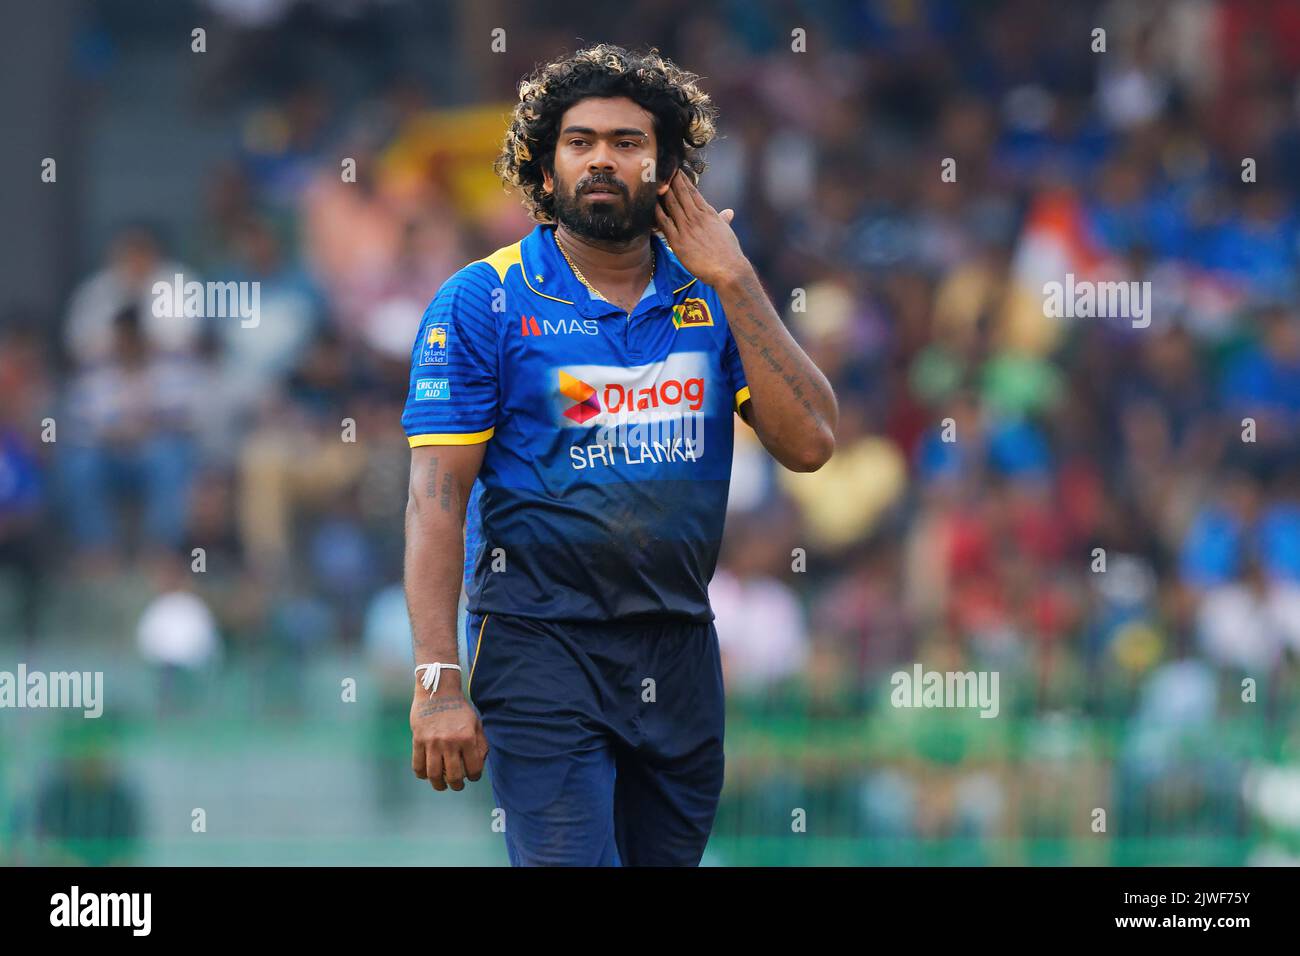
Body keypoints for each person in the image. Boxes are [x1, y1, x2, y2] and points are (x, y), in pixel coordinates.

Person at [400, 44, 837, 866]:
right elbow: (435, 498)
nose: (604, 157)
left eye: (629, 143)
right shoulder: (484, 299)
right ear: (544, 163)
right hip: (539, 644)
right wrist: (435, 681)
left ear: (668, 169)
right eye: (581, 140)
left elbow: (811, 441)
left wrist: (737, 279)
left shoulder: (710, 292)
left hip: (679, 649)